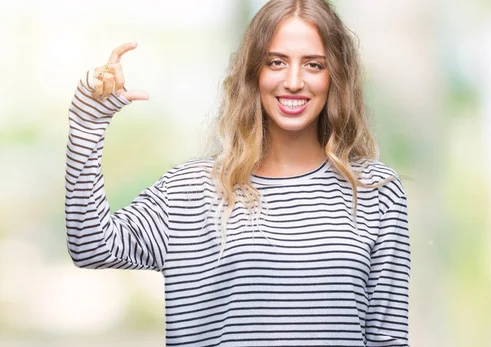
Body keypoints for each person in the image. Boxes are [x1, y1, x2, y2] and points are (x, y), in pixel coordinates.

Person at [64, 0, 410, 346]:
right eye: (276, 62)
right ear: (253, 72)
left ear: (336, 75)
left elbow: (388, 339)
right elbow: (91, 244)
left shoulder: (376, 192)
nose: (293, 81)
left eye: (314, 65)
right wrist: (88, 122)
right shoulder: (189, 190)